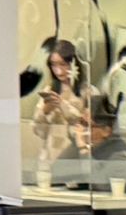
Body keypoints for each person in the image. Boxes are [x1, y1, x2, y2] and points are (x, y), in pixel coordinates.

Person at [31, 40, 89, 174]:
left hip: (74, 156)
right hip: (49, 156)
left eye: (63, 64)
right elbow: (39, 131)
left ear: (73, 63)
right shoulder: (49, 91)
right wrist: (44, 111)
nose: (58, 70)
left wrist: (63, 106)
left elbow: (88, 127)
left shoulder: (87, 92)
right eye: (53, 64)